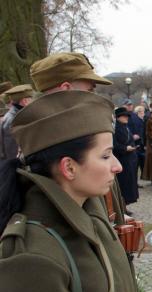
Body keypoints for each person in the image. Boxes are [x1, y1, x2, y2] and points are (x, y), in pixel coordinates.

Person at [0, 90, 147, 292]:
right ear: (68, 167)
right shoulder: (33, 256)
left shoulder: (90, 214)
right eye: (105, 155)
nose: (117, 166)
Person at [28, 52, 129, 227]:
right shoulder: (45, 140)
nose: (94, 97)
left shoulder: (77, 129)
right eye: (89, 90)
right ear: (67, 89)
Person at [0, 85, 34, 168]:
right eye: (31, 99)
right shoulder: (13, 120)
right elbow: (12, 151)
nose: (33, 102)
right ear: (25, 101)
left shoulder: (17, 115)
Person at [113, 107, 139, 207]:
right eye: (124, 116)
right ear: (118, 117)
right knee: (123, 184)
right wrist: (125, 148)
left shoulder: (126, 127)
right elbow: (114, 144)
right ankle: (122, 206)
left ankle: (125, 205)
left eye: (127, 116)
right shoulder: (115, 128)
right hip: (122, 159)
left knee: (130, 183)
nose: (126, 118)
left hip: (130, 159)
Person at [130, 105, 147, 181]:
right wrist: (138, 136)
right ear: (139, 112)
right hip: (138, 144)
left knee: (139, 163)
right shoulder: (137, 120)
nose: (144, 113)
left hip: (140, 144)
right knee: (136, 164)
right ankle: (135, 181)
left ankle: (139, 179)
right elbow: (139, 132)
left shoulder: (140, 119)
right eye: (143, 111)